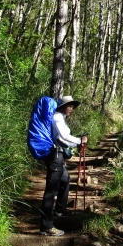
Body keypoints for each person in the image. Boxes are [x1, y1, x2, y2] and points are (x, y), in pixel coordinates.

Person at [39, 96, 88, 236]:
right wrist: (80, 141)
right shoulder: (57, 117)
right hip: (54, 156)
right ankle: (46, 226)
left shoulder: (61, 119)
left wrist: (78, 144)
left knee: (65, 180)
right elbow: (64, 136)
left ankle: (60, 209)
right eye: (69, 106)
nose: (71, 109)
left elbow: (62, 139)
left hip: (58, 155)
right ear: (62, 106)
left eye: (73, 106)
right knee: (51, 191)